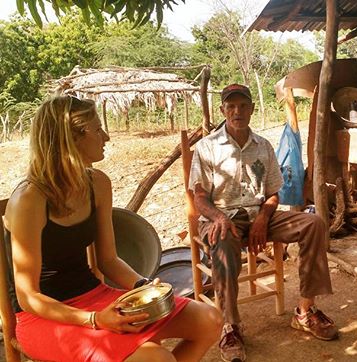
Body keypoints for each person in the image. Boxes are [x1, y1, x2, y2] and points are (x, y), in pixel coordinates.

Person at [3, 95, 222, 361]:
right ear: (71, 139)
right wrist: (94, 320)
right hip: (45, 317)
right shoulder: (30, 199)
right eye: (97, 129)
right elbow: (28, 297)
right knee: (157, 359)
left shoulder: (97, 184)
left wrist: (143, 286)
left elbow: (108, 260)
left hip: (96, 297)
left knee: (209, 319)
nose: (106, 136)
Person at [189, 83, 338, 362]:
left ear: (252, 109)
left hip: (260, 214)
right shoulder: (207, 147)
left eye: (243, 106)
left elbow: (273, 194)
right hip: (220, 216)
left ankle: (305, 312)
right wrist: (220, 217)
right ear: (223, 110)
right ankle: (230, 326)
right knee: (221, 240)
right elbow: (199, 199)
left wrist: (262, 217)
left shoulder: (263, 146)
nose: (237, 111)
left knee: (314, 223)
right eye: (231, 106)